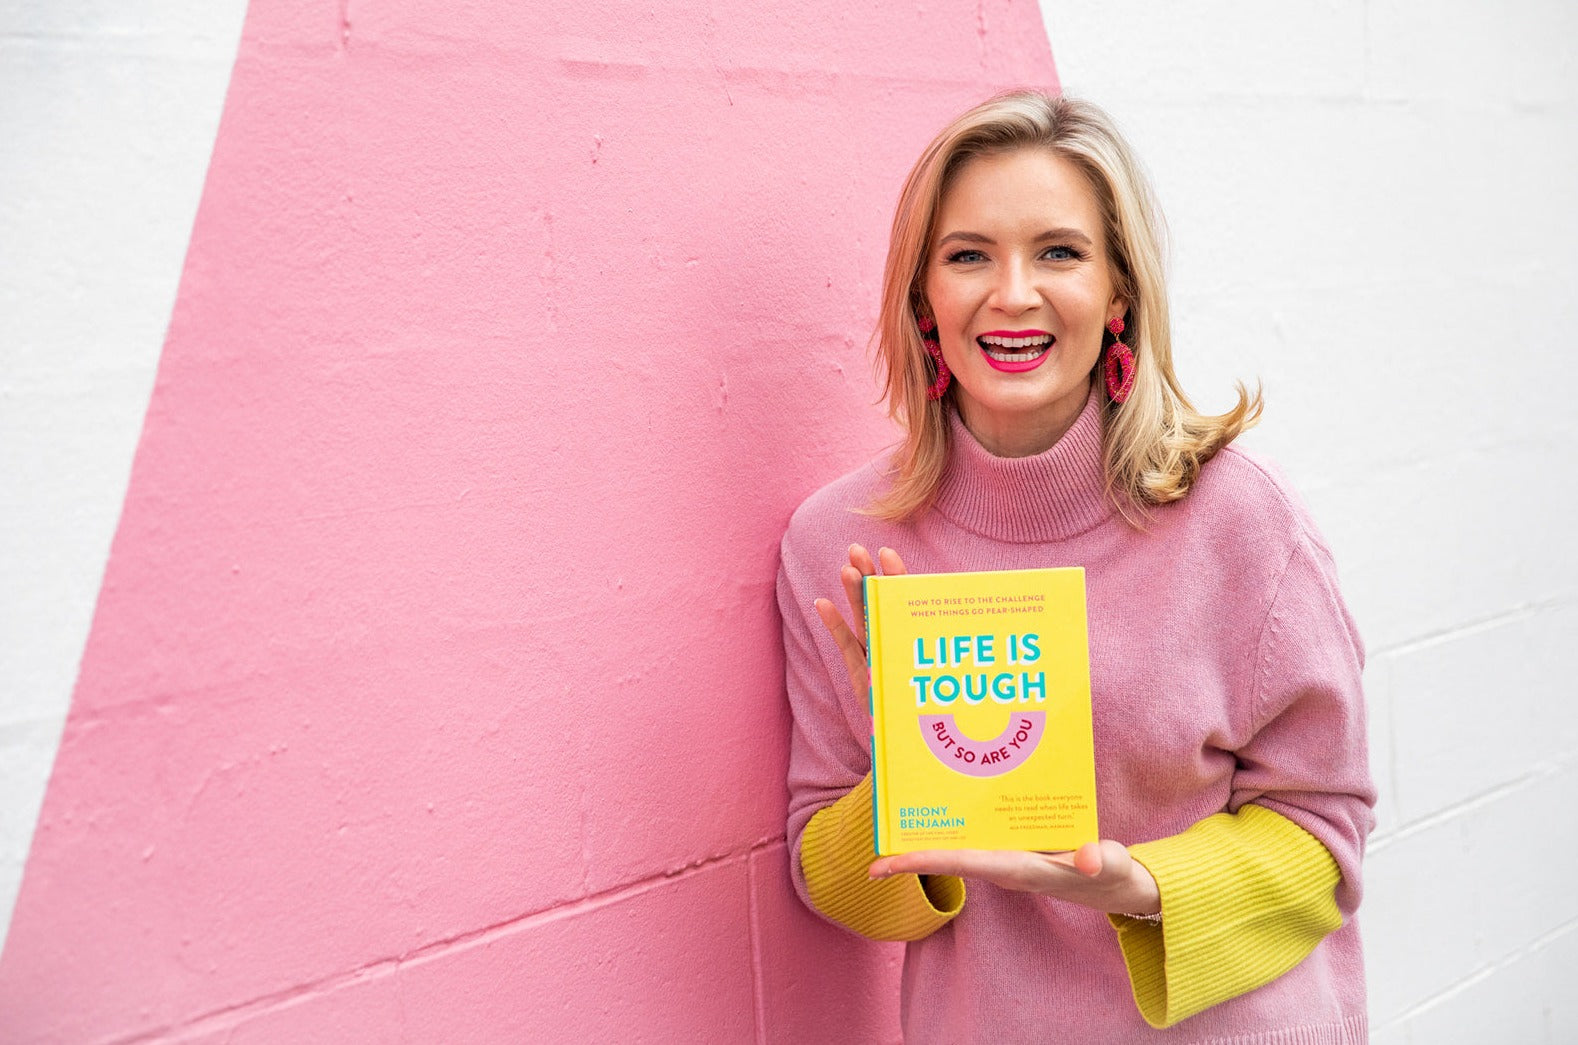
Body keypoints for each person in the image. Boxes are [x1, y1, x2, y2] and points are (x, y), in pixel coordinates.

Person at [777, 91, 1375, 1042]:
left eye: (1059, 252)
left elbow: (1325, 833)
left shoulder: (1240, 521)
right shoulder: (835, 542)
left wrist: (1141, 887)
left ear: (1119, 290)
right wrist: (906, 780)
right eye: (968, 255)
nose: (1013, 293)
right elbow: (828, 879)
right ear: (924, 297)